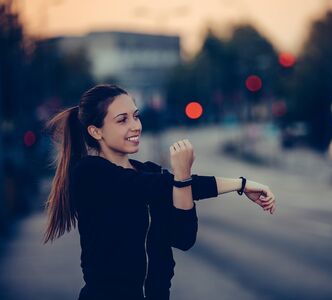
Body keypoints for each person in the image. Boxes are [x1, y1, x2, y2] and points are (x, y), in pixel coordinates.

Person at [43, 84, 276, 300]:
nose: (135, 126)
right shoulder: (90, 173)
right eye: (122, 120)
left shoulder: (149, 173)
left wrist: (240, 184)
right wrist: (183, 178)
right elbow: (153, 187)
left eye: (136, 116)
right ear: (96, 132)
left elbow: (183, 237)